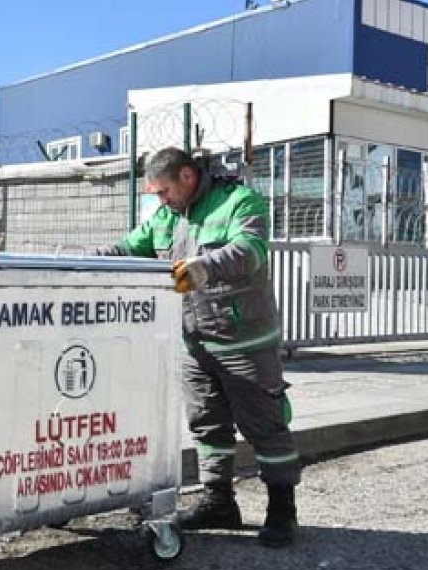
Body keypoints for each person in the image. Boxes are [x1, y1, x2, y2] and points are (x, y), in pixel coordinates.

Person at [95, 146, 300, 547]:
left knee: (265, 425)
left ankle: (282, 511)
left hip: (245, 343)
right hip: (193, 344)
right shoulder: (165, 218)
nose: (160, 199)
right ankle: (218, 500)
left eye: (163, 190)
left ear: (187, 177)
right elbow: (126, 249)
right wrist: (71, 261)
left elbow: (251, 250)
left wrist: (206, 266)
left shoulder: (240, 201)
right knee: (207, 423)